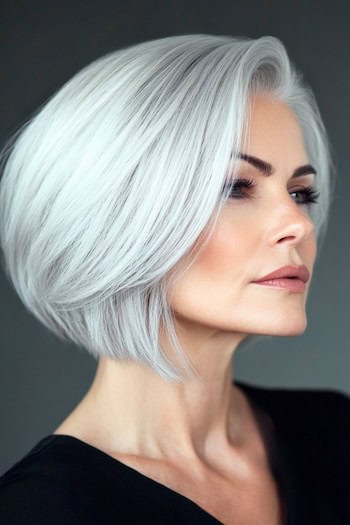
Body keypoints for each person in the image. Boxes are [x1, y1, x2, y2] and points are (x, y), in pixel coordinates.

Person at [0, 34, 348, 525]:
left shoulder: (333, 434)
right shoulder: (40, 511)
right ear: (112, 218)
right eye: (235, 187)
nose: (299, 223)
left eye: (300, 192)